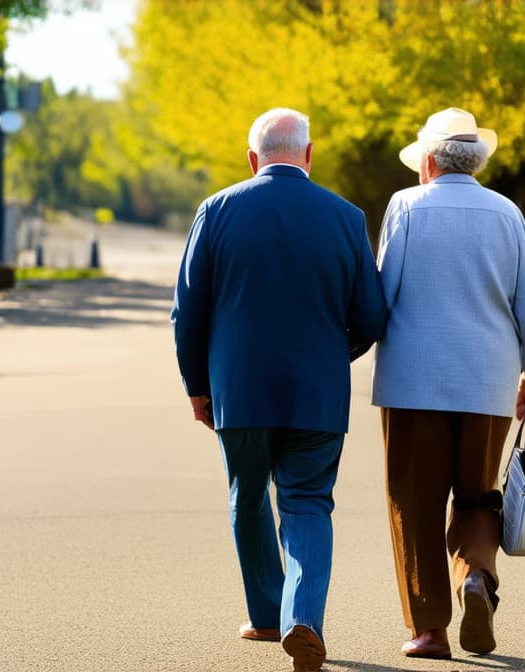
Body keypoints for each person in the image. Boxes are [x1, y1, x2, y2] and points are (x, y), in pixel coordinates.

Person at [171, 107, 387, 672]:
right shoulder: (345, 217)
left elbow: (187, 312)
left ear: (252, 159)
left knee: (248, 496)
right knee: (309, 503)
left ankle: (267, 615)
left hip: (238, 391)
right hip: (317, 394)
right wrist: (328, 358)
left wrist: (198, 386)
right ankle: (302, 618)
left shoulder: (215, 211)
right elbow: (371, 315)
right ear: (309, 155)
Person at [372, 107, 525, 659]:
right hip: (486, 383)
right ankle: (475, 577)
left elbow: (383, 297)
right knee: (478, 497)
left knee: (415, 500)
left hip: (412, 383)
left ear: (427, 160)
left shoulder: (406, 206)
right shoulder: (506, 213)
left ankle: (429, 630)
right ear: (475, 160)